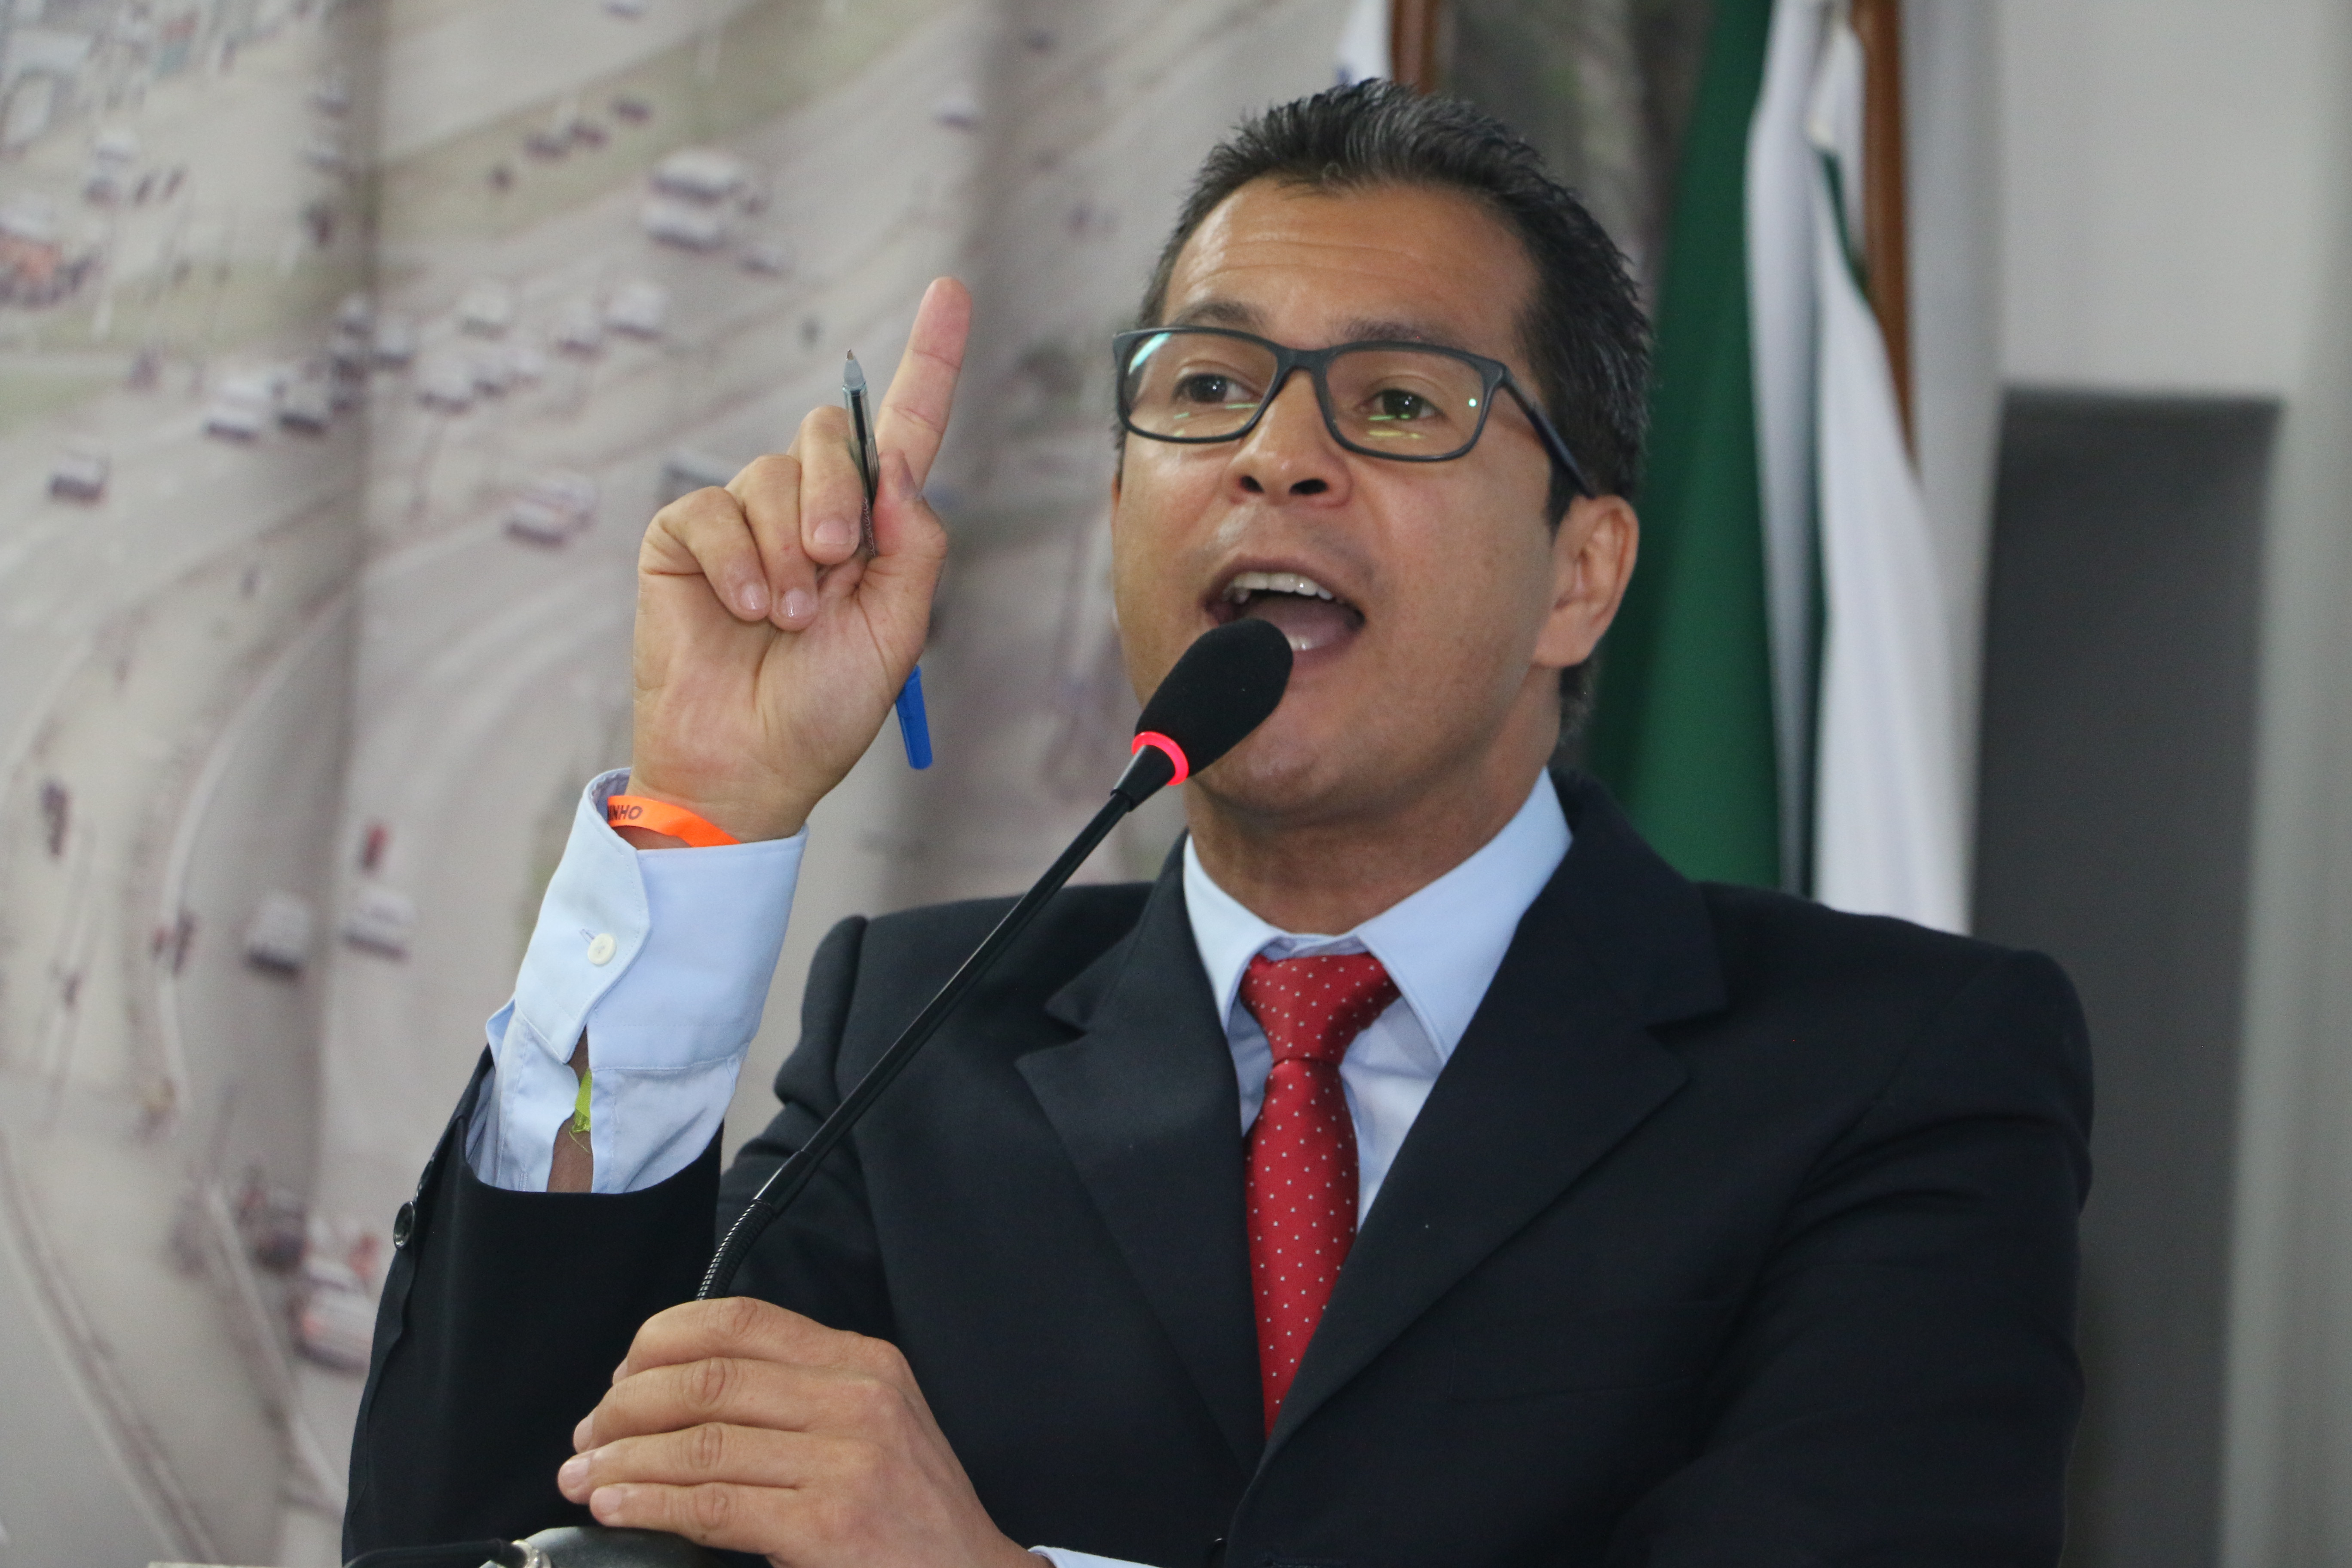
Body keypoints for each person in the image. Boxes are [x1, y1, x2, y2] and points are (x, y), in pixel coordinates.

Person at [346, 83, 2089, 1568]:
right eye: (1203, 390)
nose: (1275, 456)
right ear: (1122, 507)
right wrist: (706, 813)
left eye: (1397, 401)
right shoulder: (920, 1042)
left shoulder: (1895, 1066)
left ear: (1582, 575)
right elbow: (501, 1525)